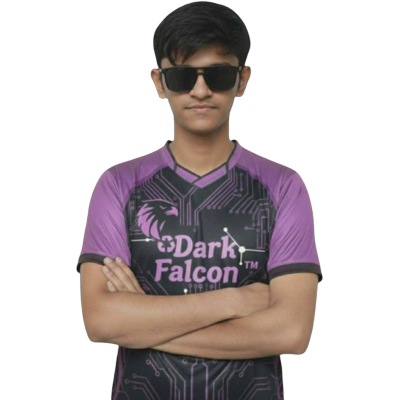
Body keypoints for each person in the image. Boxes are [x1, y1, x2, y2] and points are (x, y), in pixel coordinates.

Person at [77, 2, 322, 399]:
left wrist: (142, 321)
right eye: (182, 76)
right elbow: (101, 322)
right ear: (159, 83)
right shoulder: (118, 185)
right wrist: (237, 299)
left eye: (219, 75)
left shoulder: (284, 187)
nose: (201, 90)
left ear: (242, 80)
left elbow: (291, 332)